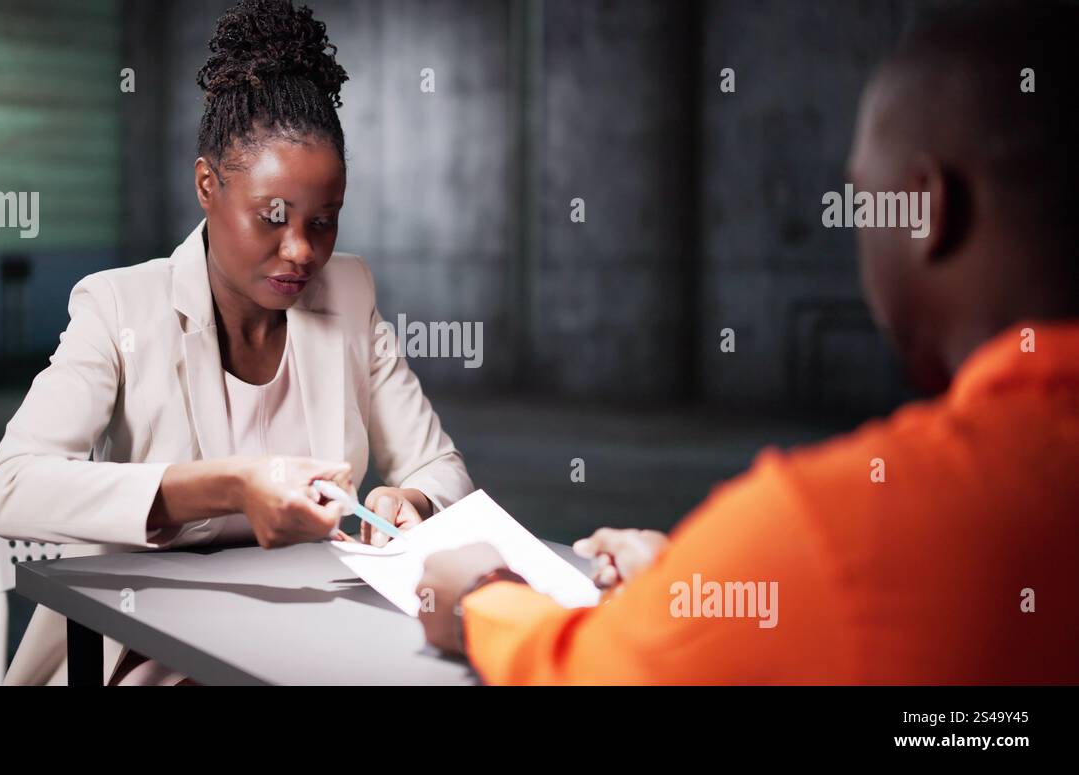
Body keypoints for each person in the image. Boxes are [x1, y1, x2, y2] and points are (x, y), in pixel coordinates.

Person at [418, 0, 1079, 684]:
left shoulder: (835, 528)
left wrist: (479, 599)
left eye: (862, 199)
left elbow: (586, 671)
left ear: (925, 208)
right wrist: (706, 586)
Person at [0, 0, 473, 685]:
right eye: (273, 216)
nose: (302, 250)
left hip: (314, 640)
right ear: (208, 185)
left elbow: (440, 467)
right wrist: (228, 486)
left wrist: (409, 502)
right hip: (150, 647)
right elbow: (7, 487)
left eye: (324, 221)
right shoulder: (120, 305)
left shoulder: (349, 293)